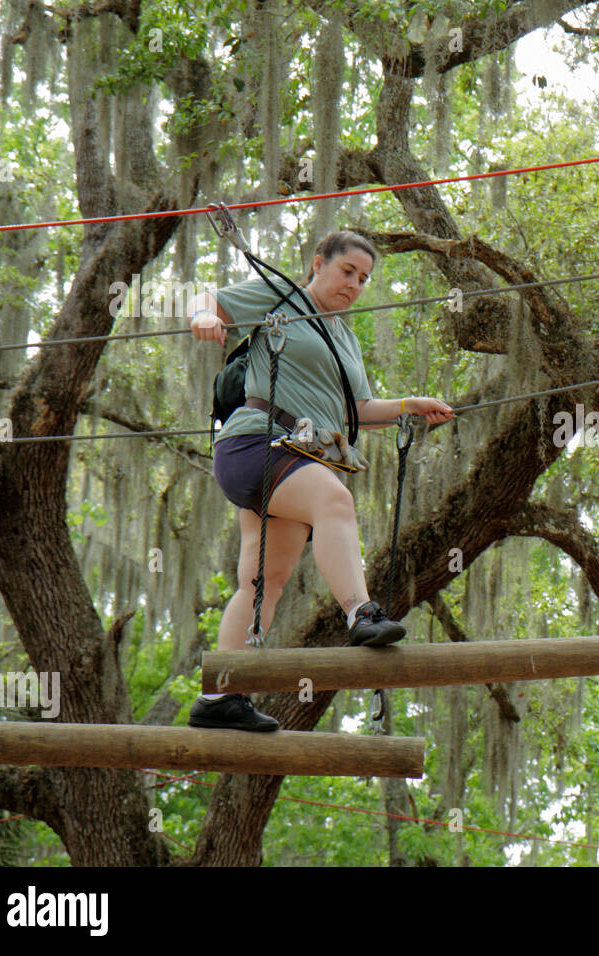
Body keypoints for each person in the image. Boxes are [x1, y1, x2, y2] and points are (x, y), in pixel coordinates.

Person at [184, 230, 453, 731]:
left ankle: (222, 694)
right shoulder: (284, 297)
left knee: (264, 583)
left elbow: (356, 413)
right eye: (348, 271)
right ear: (318, 264)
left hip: (296, 461)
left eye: (364, 278)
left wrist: (407, 407)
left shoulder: (345, 337)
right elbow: (210, 299)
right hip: (256, 444)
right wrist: (204, 316)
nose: (355, 284)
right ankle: (361, 613)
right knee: (334, 500)